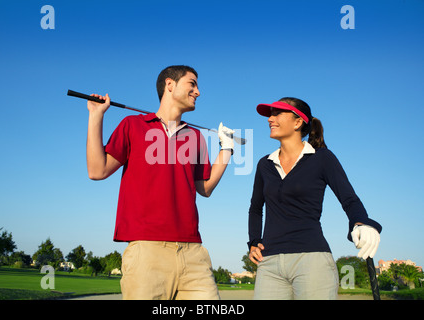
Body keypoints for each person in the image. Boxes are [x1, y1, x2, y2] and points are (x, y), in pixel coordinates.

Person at [86, 65, 235, 300]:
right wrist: (96, 116)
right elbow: (97, 170)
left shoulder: (195, 137)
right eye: (192, 84)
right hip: (146, 253)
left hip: (193, 252)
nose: (198, 92)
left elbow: (205, 188)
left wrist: (226, 149)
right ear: (170, 84)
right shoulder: (132, 125)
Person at [248, 97, 382, 300]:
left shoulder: (322, 158)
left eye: (277, 113)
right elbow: (256, 208)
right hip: (270, 263)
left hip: (312, 260)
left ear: (297, 122)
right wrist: (254, 242)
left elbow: (350, 200)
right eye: (270, 114)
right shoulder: (264, 164)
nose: (270, 119)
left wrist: (361, 223)